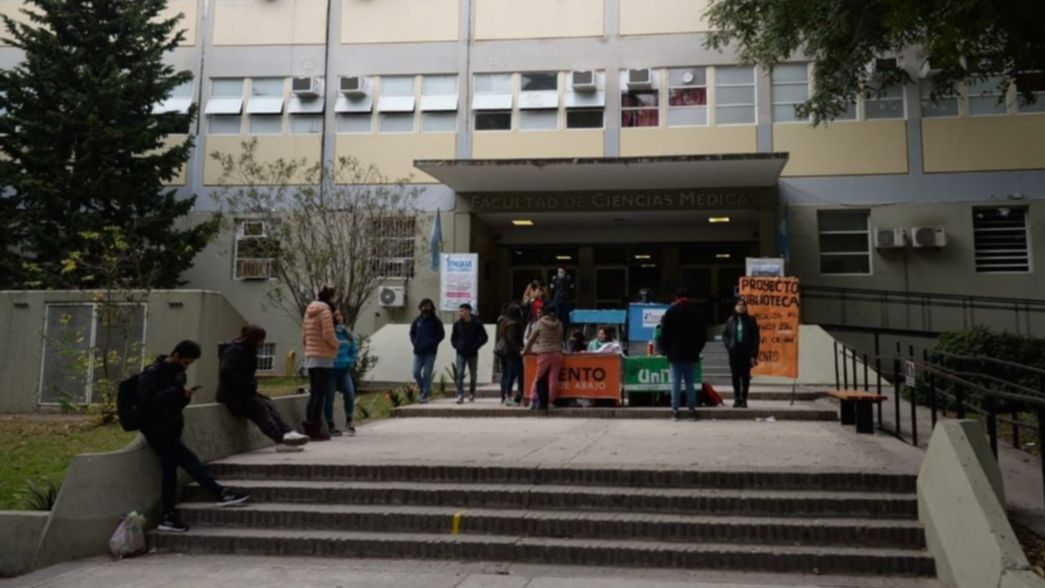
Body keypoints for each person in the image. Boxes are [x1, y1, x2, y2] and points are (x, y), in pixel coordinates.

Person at [138, 340, 250, 533]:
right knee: (190, 461)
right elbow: (147, 402)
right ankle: (219, 492)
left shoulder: (178, 374)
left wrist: (184, 397)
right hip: (157, 429)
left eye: (189, 364)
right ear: (176, 355)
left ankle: (169, 516)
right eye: (185, 362)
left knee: (170, 472)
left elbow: (173, 404)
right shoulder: (153, 373)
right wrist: (176, 392)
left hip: (171, 427)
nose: (186, 366)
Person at [217, 325, 310, 452]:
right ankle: (281, 440)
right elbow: (227, 371)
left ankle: (287, 433)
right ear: (254, 339)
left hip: (244, 392)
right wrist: (248, 384)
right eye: (261, 340)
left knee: (269, 404)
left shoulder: (247, 350)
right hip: (232, 395)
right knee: (260, 409)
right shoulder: (235, 351)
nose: (263, 343)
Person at [659, 288, 707, 421]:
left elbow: (664, 334)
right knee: (690, 383)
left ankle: (675, 410)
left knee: (675, 383)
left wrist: (666, 350)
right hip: (691, 354)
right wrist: (697, 349)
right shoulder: (696, 312)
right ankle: (691, 410)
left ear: (676, 297)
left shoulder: (671, 311)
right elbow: (702, 335)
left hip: (675, 354)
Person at [302, 286, 339, 440]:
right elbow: (328, 335)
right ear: (331, 297)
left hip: (311, 355)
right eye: (336, 296)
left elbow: (304, 334)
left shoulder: (309, 309)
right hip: (323, 356)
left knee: (314, 393)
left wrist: (308, 349)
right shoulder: (325, 311)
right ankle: (315, 428)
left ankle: (309, 426)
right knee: (320, 394)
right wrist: (337, 345)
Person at [522, 306, 564, 410]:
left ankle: (533, 400)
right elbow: (561, 338)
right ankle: (550, 402)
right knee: (553, 378)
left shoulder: (539, 323)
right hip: (557, 353)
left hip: (544, 353)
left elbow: (531, 338)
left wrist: (525, 351)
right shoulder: (559, 324)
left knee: (538, 377)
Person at [722, 298, 760, 408]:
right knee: (735, 377)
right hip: (734, 353)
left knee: (745, 377)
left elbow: (756, 338)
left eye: (743, 305)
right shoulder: (730, 320)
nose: (741, 306)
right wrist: (729, 345)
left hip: (746, 353)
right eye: (738, 304)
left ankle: (744, 399)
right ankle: (737, 398)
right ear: (735, 306)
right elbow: (725, 335)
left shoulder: (751, 320)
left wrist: (753, 355)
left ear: (746, 307)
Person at [326, 309, 359, 435]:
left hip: (344, 370)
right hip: (330, 370)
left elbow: (354, 348)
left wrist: (351, 361)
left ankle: (349, 421)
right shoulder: (329, 332)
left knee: (350, 393)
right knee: (329, 397)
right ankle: (330, 424)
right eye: (335, 315)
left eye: (340, 315)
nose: (338, 317)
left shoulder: (346, 332)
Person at [451, 303, 488, 404]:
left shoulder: (477, 323)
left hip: (473, 353)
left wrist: (476, 345)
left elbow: (484, 337)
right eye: (460, 311)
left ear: (468, 311)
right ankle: (460, 394)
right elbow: (453, 338)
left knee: (473, 375)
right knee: (459, 374)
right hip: (460, 353)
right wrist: (456, 346)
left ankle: (472, 393)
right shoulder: (457, 324)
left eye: (462, 310)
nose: (460, 313)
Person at [410, 298, 445, 403]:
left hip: (430, 352)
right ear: (421, 307)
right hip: (418, 351)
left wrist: (433, 343)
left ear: (432, 307)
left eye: (429, 306)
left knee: (427, 373)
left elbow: (441, 335)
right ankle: (423, 388)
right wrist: (415, 342)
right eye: (424, 306)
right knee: (415, 372)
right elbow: (412, 333)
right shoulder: (417, 320)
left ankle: (424, 394)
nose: (426, 308)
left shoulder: (436, 321)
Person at [498, 303, 526, 405]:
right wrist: (520, 349)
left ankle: (507, 396)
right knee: (518, 374)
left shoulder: (506, 322)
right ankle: (512, 396)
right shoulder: (515, 324)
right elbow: (511, 340)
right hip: (513, 353)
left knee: (510, 374)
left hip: (507, 352)